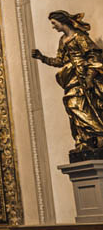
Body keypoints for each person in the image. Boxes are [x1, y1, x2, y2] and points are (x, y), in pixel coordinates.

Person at [33, 10, 103, 153]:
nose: (53, 27)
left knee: (81, 105)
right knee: (70, 105)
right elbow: (60, 61)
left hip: (83, 77)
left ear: (61, 21)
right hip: (71, 77)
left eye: (54, 23)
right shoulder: (63, 40)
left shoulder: (80, 37)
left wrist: (90, 77)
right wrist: (42, 58)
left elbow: (94, 55)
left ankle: (96, 135)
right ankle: (83, 140)